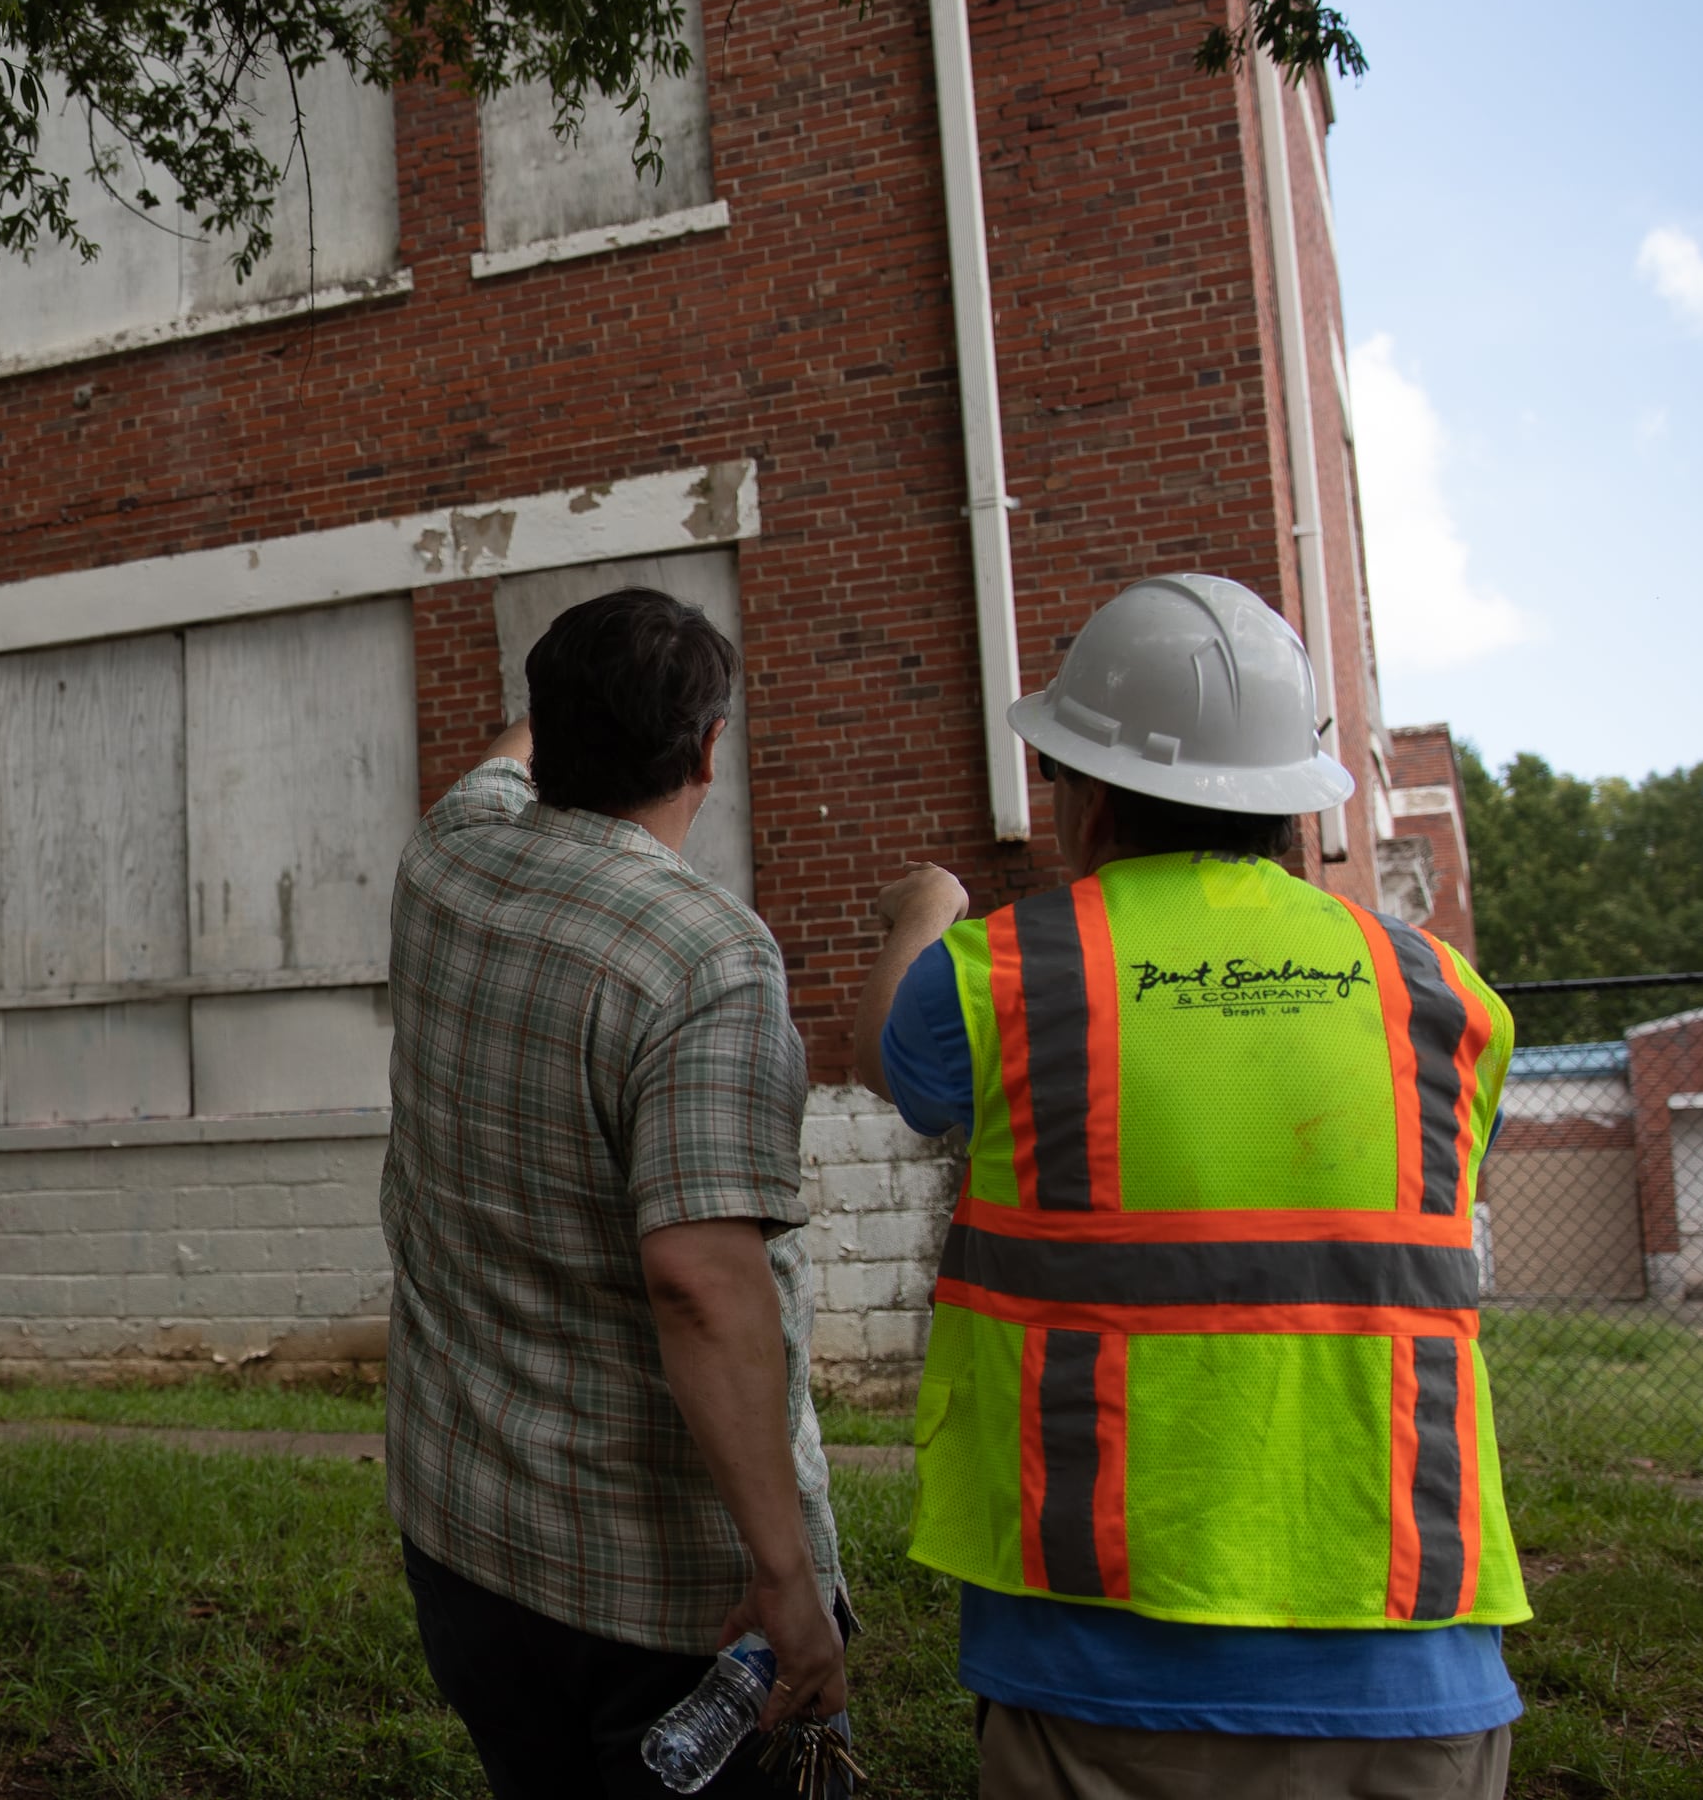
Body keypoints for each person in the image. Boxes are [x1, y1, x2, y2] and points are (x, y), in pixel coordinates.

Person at [852, 573, 1525, 1799]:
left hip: (1099, 1670)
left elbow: (893, 1062)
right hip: (1413, 1668)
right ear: (1286, 802)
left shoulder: (1008, 972)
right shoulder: (1443, 998)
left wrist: (926, 907)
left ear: (1090, 801)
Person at [385, 584, 850, 1798]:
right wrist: (789, 1581)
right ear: (707, 749)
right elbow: (700, 1282)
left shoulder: (449, 852)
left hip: (465, 1543)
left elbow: (500, 763)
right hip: (658, 1602)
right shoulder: (707, 956)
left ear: (546, 726)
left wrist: (555, 707)